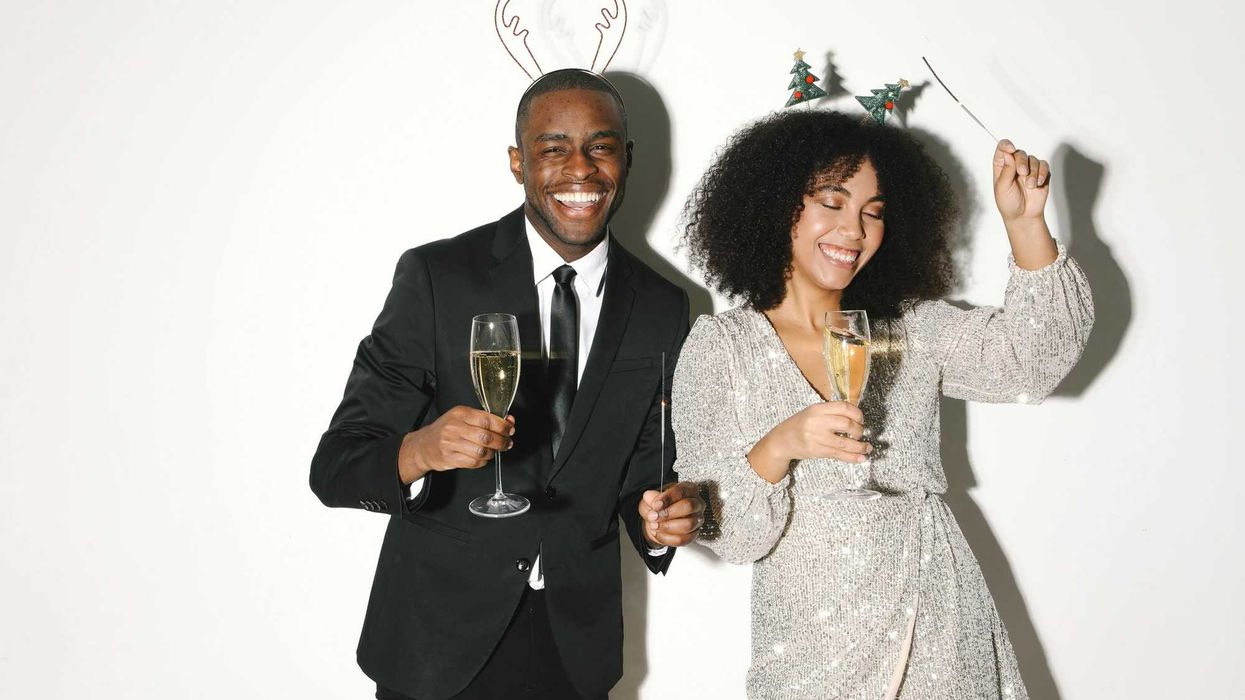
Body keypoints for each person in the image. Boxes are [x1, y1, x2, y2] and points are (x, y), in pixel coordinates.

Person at [310, 69, 705, 700]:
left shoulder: (664, 307)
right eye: (553, 148)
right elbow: (336, 466)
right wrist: (421, 450)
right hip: (436, 649)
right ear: (518, 163)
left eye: (600, 147)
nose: (580, 168)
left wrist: (658, 518)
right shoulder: (438, 278)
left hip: (575, 651)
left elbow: (642, 473)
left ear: (626, 160)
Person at [672, 110, 1093, 698]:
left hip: (935, 624)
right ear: (774, 203)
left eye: (873, 212)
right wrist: (783, 443)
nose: (854, 230)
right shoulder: (722, 348)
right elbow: (736, 535)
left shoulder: (909, 328)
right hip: (810, 651)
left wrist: (1025, 224)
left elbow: (1034, 362)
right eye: (832, 202)